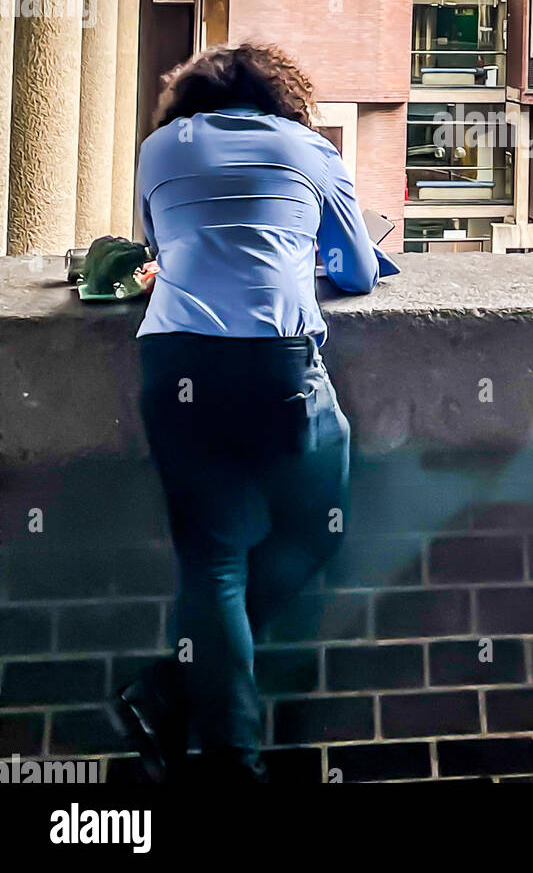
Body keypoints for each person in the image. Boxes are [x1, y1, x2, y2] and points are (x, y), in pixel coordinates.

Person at [117, 42, 397, 784]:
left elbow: (166, 244)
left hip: (174, 360)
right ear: (284, 100)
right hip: (276, 367)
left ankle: (228, 759)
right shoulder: (310, 148)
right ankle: (166, 691)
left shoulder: (157, 149)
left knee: (211, 562)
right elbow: (358, 271)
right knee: (312, 526)